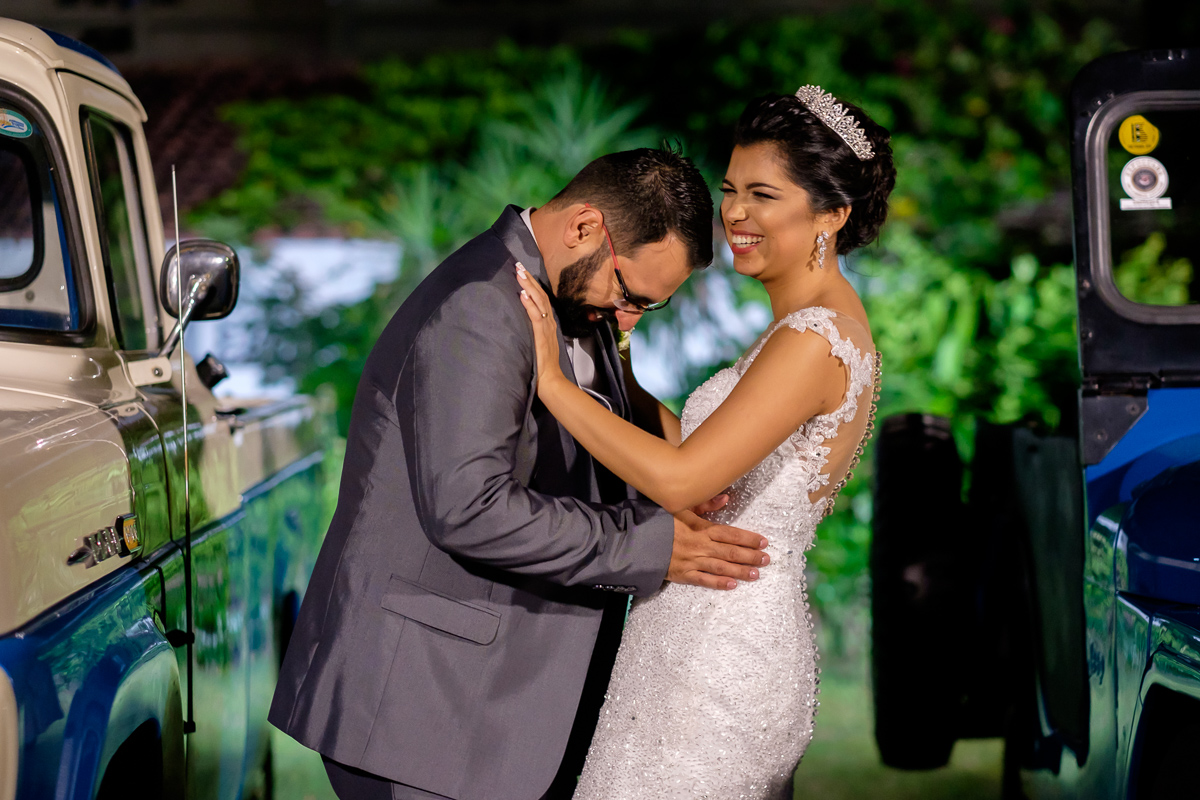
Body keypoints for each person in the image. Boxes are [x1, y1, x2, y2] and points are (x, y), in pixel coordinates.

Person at [268, 147, 773, 800]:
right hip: (424, 710)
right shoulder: (481, 306)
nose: (629, 319)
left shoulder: (575, 301)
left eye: (651, 307)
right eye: (631, 295)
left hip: (496, 706)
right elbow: (469, 508)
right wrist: (650, 545)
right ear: (586, 227)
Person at [515, 86, 895, 798]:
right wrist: (617, 365)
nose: (737, 214)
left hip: (719, 651)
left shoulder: (815, 341)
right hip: (700, 627)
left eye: (763, 194)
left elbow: (686, 479)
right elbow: (707, 454)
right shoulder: (806, 328)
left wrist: (552, 383)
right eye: (730, 189)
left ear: (833, 215)